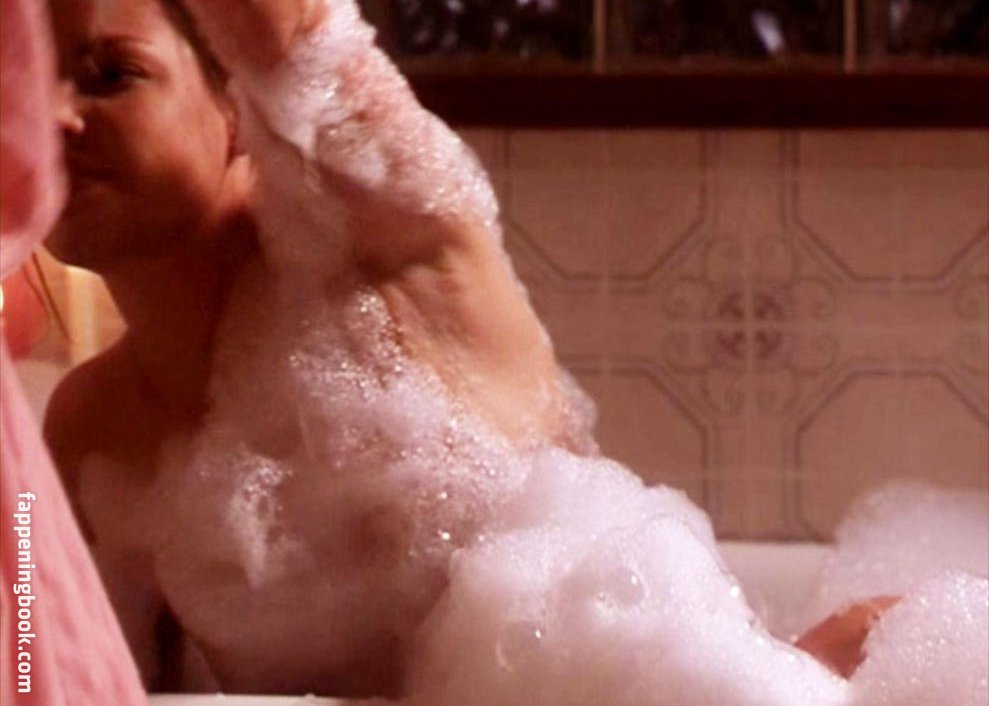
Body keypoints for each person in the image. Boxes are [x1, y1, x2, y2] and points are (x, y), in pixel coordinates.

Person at [42, 0, 890, 697]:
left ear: (239, 101)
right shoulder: (87, 431)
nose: (52, 120)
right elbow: (42, 672)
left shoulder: (398, 252)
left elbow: (301, 42)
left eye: (112, 74)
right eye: (18, 84)